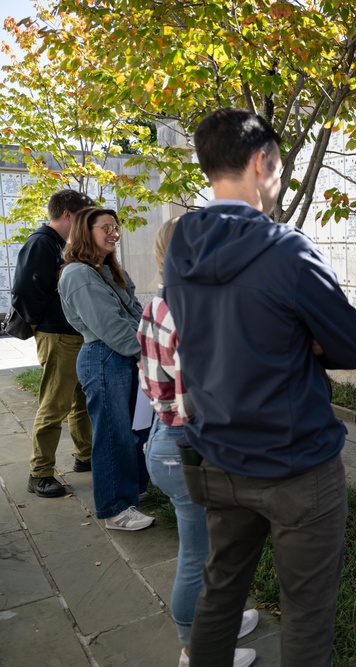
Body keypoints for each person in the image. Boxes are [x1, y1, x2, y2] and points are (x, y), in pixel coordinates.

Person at [162, 108, 356, 666]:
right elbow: (347, 347)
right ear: (261, 162)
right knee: (307, 610)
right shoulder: (288, 251)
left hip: (219, 456)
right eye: (278, 168)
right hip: (297, 463)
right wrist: (308, 340)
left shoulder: (181, 246)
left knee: (221, 589)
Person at [138, 218, 258, 667]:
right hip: (188, 444)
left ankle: (217, 623)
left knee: (209, 549)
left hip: (166, 439)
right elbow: (201, 399)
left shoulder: (162, 301)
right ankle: (198, 649)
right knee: (199, 554)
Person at [59, 207, 154, 531]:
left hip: (125, 356)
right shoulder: (78, 274)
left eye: (116, 227)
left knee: (135, 431)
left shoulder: (108, 269)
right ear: (86, 232)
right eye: (106, 228)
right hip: (104, 358)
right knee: (113, 436)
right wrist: (145, 353)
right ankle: (115, 508)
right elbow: (110, 326)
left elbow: (137, 313)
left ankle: (132, 492)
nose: (115, 233)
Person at [12, 189, 95, 498]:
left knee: (80, 402)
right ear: (68, 215)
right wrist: (38, 323)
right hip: (56, 335)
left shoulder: (60, 244)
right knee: (54, 405)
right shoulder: (42, 244)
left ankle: (84, 456)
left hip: (71, 334)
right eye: (84, 217)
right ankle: (40, 473)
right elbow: (23, 290)